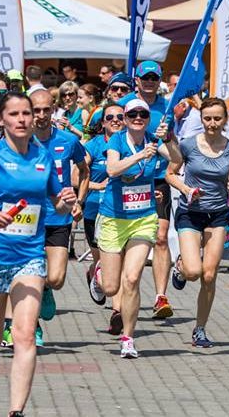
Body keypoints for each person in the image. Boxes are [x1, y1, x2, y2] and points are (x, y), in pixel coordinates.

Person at [0, 92, 77, 417]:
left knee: (25, 335)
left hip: (28, 258)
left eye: (27, 113)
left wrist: (66, 200)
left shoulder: (43, 157)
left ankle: (16, 411)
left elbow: (57, 203)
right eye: (16, 113)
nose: (23, 118)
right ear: (1, 119)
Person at [97, 98, 178, 357]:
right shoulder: (118, 141)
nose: (138, 117)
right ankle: (99, 273)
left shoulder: (155, 139)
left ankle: (128, 338)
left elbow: (177, 159)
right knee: (111, 288)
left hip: (144, 218)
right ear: (125, 117)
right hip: (113, 217)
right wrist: (139, 156)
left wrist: (170, 139)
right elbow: (112, 169)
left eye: (143, 113)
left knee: (131, 279)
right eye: (133, 114)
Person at [165, 98, 229, 347]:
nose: (212, 124)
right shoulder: (188, 145)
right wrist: (186, 188)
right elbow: (169, 174)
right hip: (190, 212)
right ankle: (180, 265)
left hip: (218, 214)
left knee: (209, 275)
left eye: (217, 119)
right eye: (207, 118)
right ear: (201, 119)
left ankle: (200, 329)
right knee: (193, 272)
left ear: (225, 120)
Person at [22, 89, 88, 346]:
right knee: (32, 276)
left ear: (54, 110)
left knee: (56, 279)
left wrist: (79, 202)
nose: (40, 115)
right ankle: (33, 326)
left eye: (45, 110)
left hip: (59, 219)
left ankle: (47, 290)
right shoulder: (21, 141)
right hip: (30, 220)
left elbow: (84, 169)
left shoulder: (68, 141)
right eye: (35, 110)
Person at [118, 60, 176, 319]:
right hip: (128, 178)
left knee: (161, 236)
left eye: (154, 77)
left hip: (158, 177)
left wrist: (169, 136)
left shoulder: (168, 107)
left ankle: (160, 297)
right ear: (137, 80)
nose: (150, 81)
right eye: (145, 77)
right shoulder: (125, 104)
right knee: (125, 241)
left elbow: (172, 145)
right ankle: (121, 291)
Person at [81, 103, 126, 308]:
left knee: (120, 263)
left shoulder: (132, 143)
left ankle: (117, 311)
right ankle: (93, 271)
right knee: (102, 263)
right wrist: (98, 185)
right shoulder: (94, 145)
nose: (115, 120)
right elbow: (76, 178)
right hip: (94, 210)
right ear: (103, 123)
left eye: (120, 116)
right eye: (110, 117)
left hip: (123, 212)